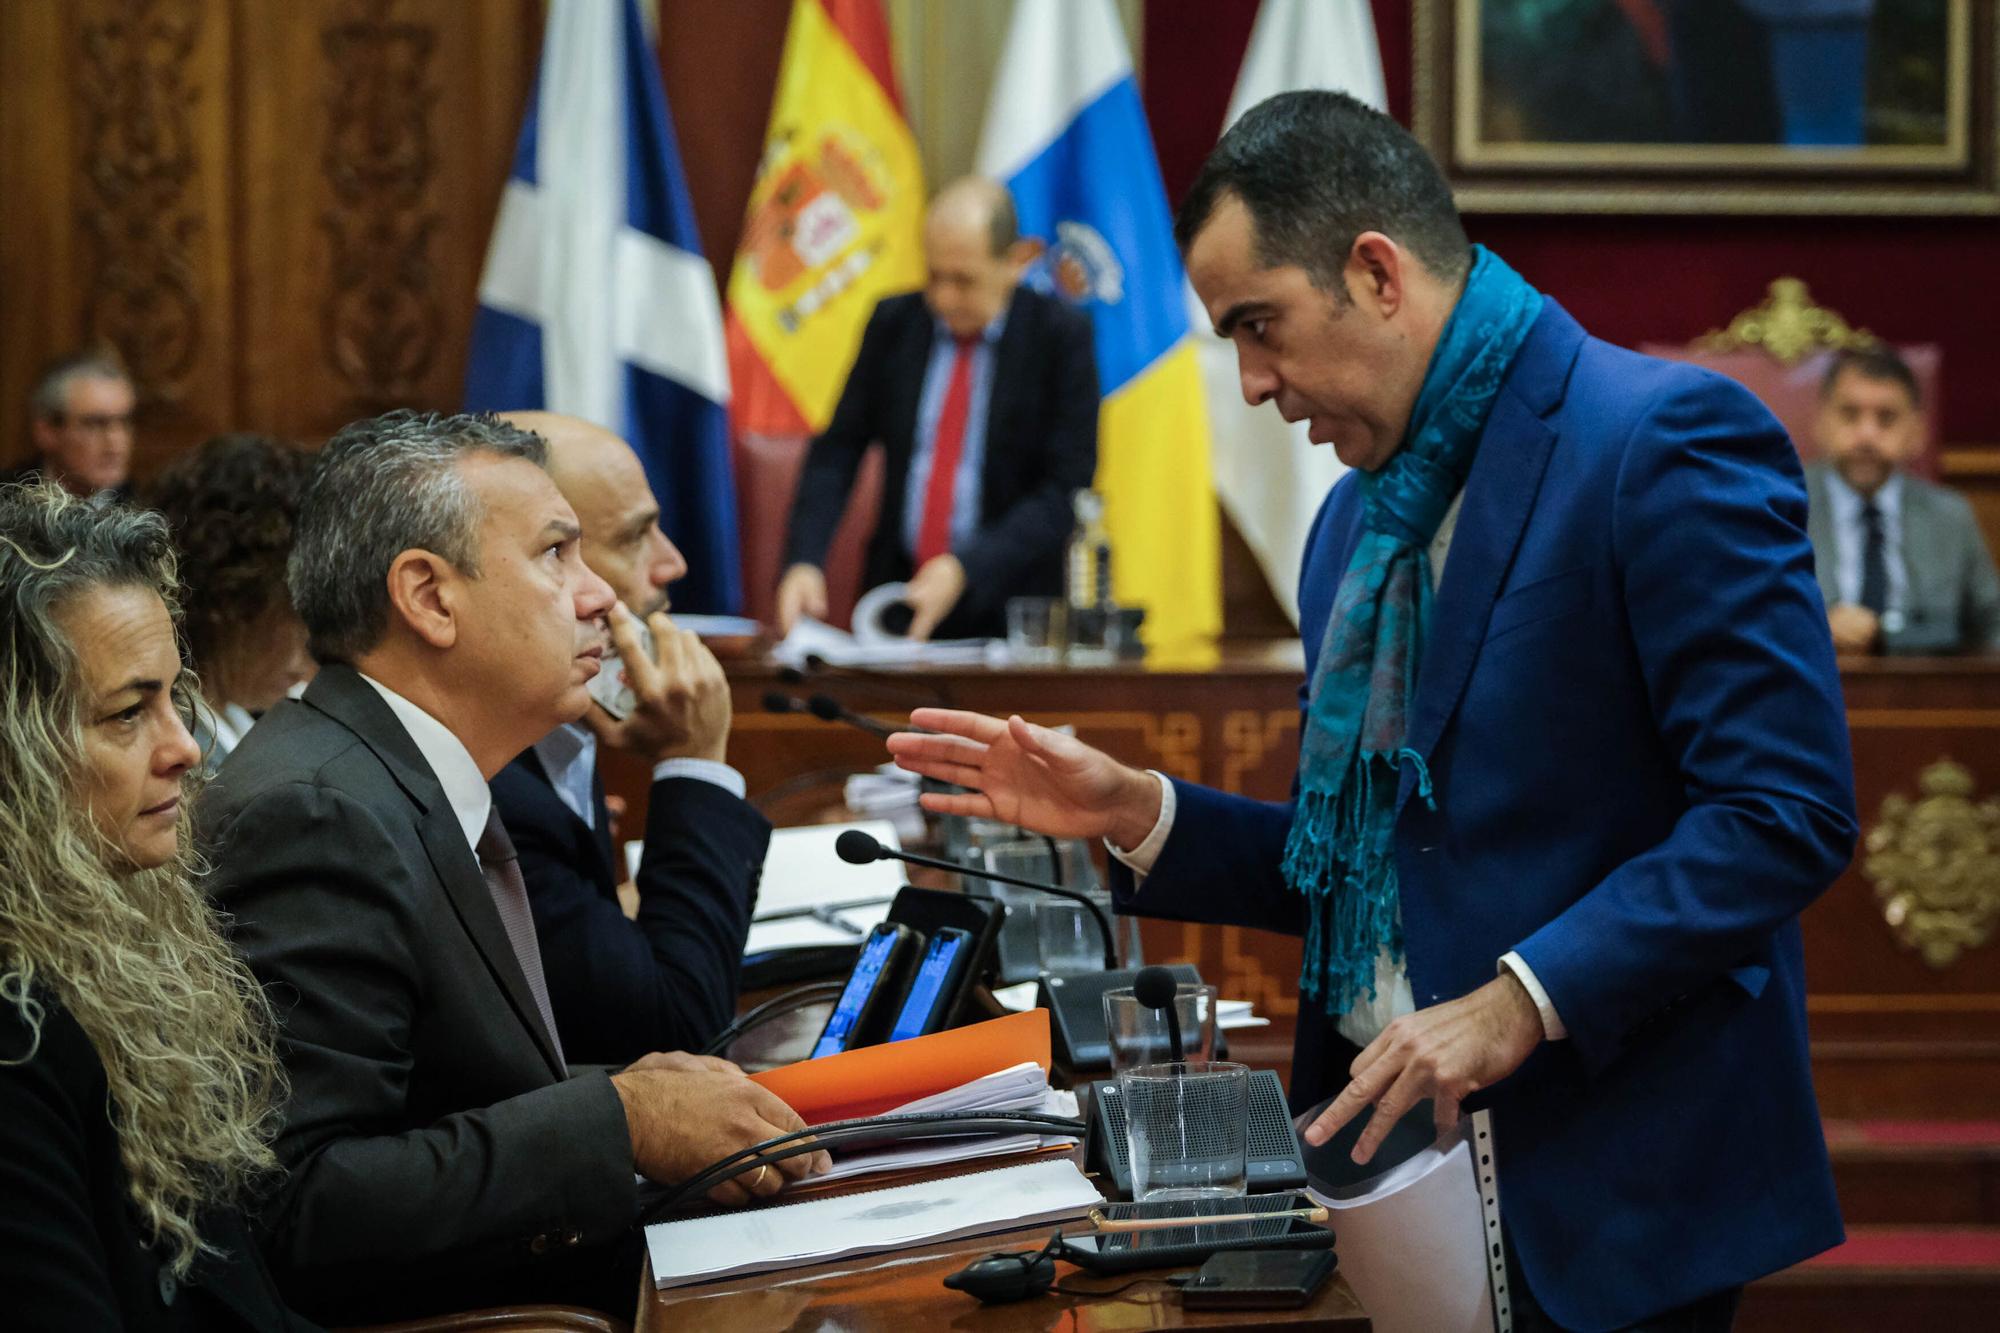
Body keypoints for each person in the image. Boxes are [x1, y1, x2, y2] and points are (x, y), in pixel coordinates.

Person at [888, 92, 1856, 1332]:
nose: (1247, 383)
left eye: (1257, 326)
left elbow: (1782, 813)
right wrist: (1140, 814)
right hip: (1393, 1186)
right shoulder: (1350, 521)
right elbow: (1369, 866)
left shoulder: (1659, 440)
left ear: (1375, 273)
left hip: (1609, 1185)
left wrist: (1520, 997)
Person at [199, 411, 824, 1324]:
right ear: (430, 596)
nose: (599, 595)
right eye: (557, 554)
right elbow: (304, 1203)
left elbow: (450, 1101)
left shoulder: (398, 772)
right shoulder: (317, 809)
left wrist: (651, 1101)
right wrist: (621, 1118)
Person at [0, 482, 315, 1330]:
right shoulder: (16, 1034)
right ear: (15, 752)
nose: (184, 747)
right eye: (128, 711)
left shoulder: (123, 935)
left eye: (175, 698)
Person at [490, 411, 768, 1064]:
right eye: (637, 536)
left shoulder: (563, 717)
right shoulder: (487, 777)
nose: (673, 562)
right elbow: (676, 1033)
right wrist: (694, 759)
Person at [774, 176, 1098, 640]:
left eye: (963, 280)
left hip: (1012, 608)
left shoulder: (1060, 338)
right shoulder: (894, 324)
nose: (943, 299)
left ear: (1016, 261)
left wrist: (966, 566)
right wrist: (804, 559)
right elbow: (837, 451)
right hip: (896, 598)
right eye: (934, 276)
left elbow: (1064, 490)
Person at [1804, 344, 2000, 655]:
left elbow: (1992, 625)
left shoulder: (1950, 516)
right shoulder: (1783, 508)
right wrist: (1812, 625)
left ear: (1917, 430)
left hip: (1928, 694)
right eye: (1850, 414)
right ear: (1821, 421)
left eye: (1886, 418)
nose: (1866, 435)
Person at [145, 433, 319, 771]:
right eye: (297, 612)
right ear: (235, 600)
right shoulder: (184, 756)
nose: (311, 645)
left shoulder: (235, 720)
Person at [5, 350, 138, 501]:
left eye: (125, 422)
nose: (115, 440)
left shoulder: (151, 509)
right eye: (95, 424)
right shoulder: (6, 500)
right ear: (46, 431)